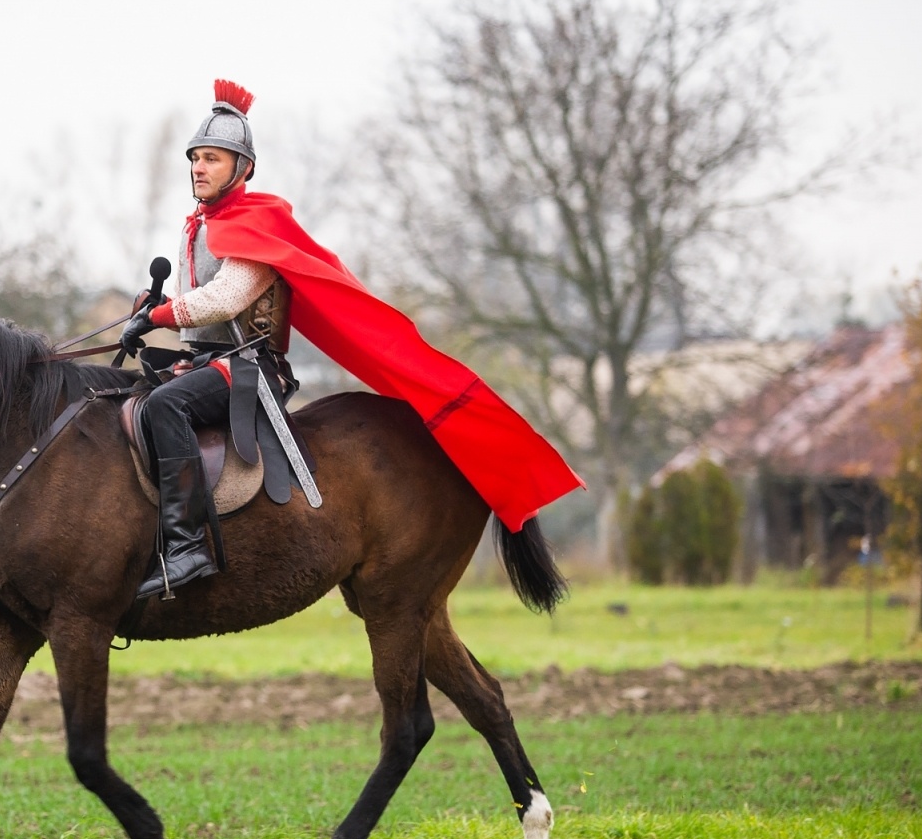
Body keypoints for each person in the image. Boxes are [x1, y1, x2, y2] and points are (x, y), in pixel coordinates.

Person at [122, 80, 582, 601]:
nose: (200, 168)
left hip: (248, 369)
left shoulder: (255, 226)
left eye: (213, 159)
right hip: (206, 361)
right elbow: (194, 306)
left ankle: (186, 549)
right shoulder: (198, 228)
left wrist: (161, 312)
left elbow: (226, 299)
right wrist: (147, 309)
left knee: (165, 408)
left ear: (243, 169)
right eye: (196, 158)